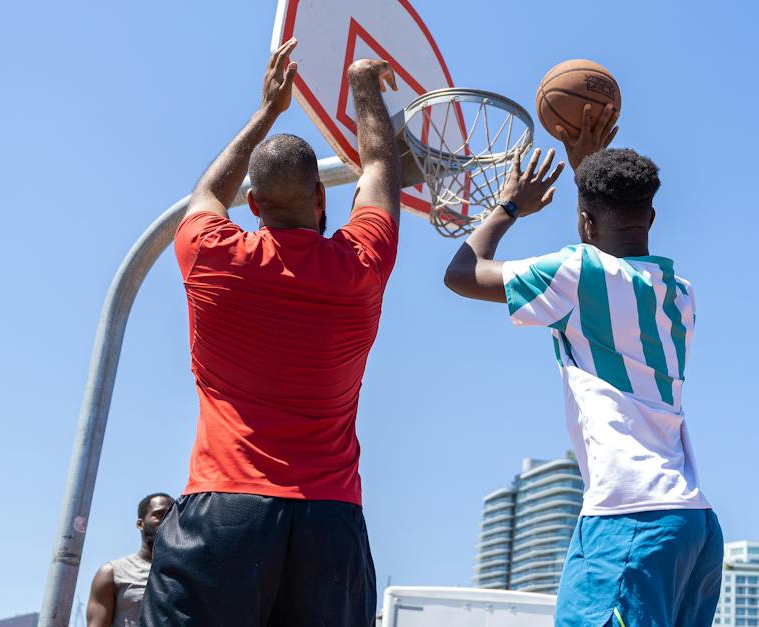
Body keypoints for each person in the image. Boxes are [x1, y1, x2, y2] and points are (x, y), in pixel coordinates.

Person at [141, 38, 403, 627]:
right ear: (320, 196)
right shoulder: (360, 264)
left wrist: (268, 110)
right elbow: (381, 165)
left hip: (223, 511)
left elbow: (208, 191)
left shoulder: (211, 253)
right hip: (327, 521)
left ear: (253, 204)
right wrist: (363, 85)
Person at [443, 104, 724, 627]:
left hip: (628, 518)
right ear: (654, 217)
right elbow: (609, 249)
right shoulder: (679, 295)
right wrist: (588, 172)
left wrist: (509, 205)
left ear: (585, 220)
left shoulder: (575, 273)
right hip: (694, 528)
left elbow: (462, 272)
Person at [85, 493, 174, 627]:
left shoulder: (187, 572)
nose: (167, 520)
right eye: (160, 514)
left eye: (173, 516)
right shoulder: (113, 572)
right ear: (140, 524)